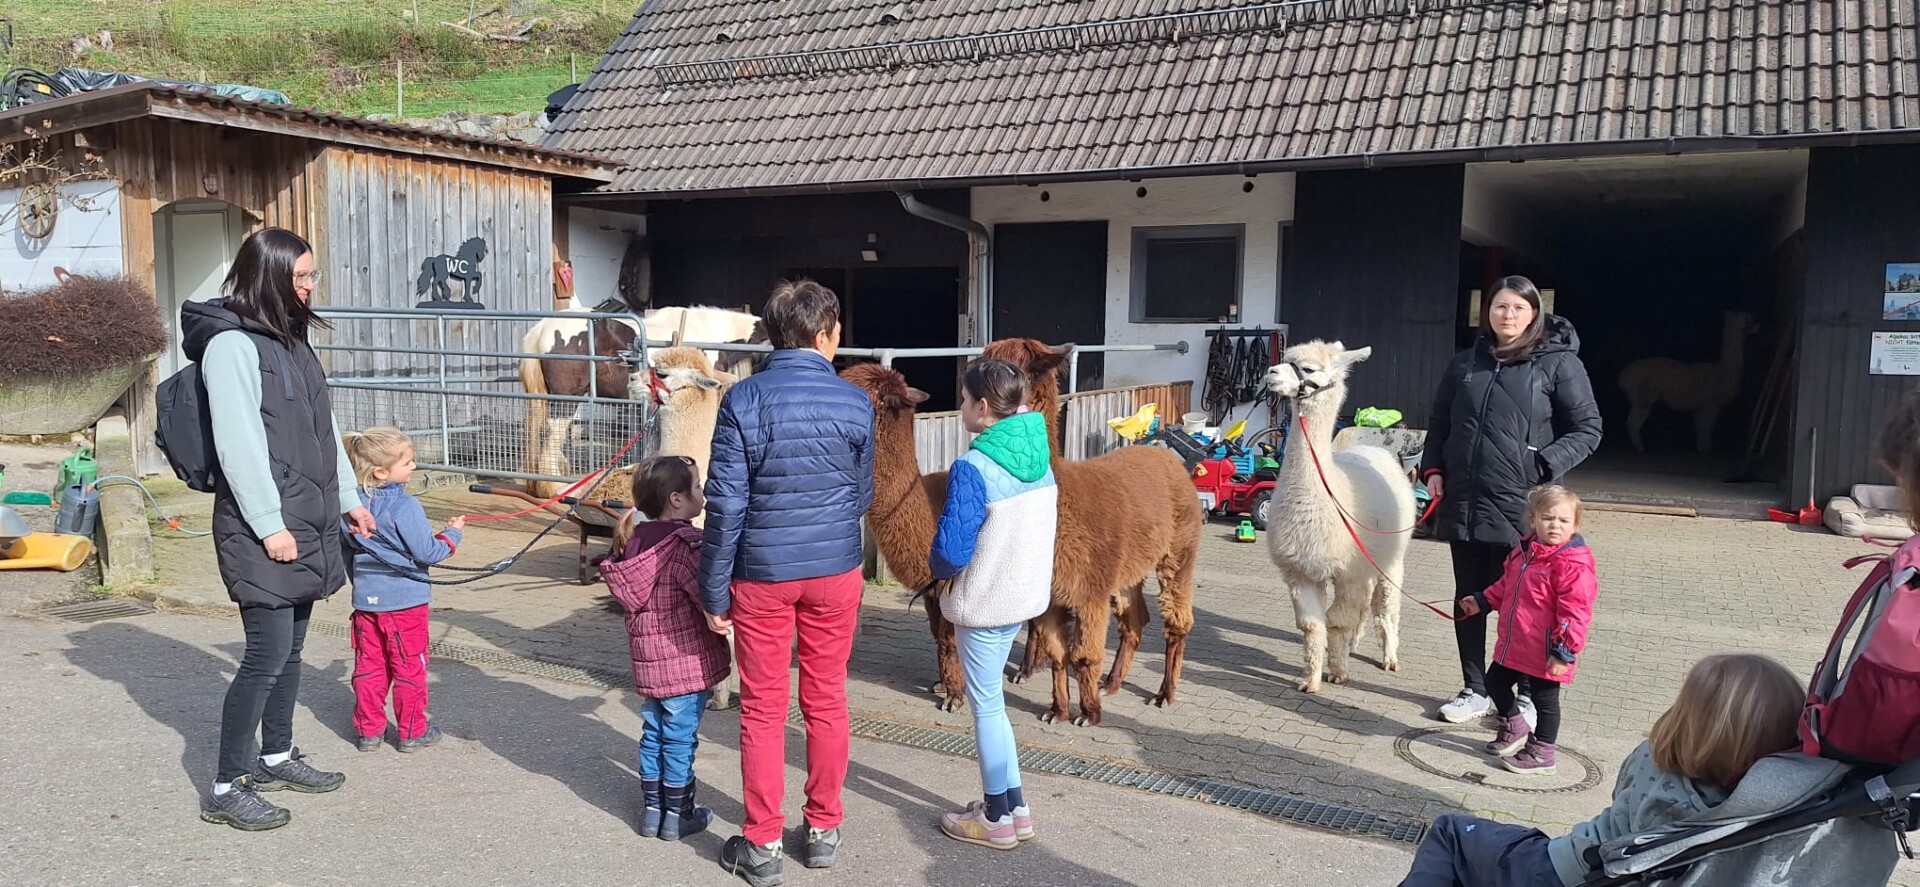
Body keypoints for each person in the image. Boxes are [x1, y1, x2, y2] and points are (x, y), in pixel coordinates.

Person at [184, 227, 376, 831]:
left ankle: (276, 755)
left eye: (312, 275)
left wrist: (350, 498)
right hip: (262, 525)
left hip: (307, 516)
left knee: (291, 651)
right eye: (300, 277)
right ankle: (225, 786)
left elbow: (325, 428)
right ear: (268, 277)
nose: (310, 286)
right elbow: (238, 444)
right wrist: (269, 525)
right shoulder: (231, 346)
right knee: (265, 655)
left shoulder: (292, 340)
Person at [703, 279, 874, 886]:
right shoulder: (855, 402)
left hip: (762, 573)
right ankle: (823, 828)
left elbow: (725, 505)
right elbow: (861, 494)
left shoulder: (743, 400)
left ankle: (763, 842)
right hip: (834, 570)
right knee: (826, 699)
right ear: (826, 335)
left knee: (763, 707)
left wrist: (713, 590)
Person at [1399, 653, 1805, 887]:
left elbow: (1619, 796)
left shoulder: (1652, 756)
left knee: (1452, 833)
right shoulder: (1750, 810)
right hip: (1607, 877)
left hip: (1563, 868)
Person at [1420, 275, 1602, 725]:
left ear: (1534, 313)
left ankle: (1525, 695)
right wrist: (1434, 469)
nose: (1508, 315)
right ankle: (1474, 689)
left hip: (1522, 504)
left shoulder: (1558, 364)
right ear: (1488, 311)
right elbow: (1440, 422)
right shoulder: (1465, 363)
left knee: (1525, 603)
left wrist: (1541, 465)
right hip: (1465, 500)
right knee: (1469, 597)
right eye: (1500, 306)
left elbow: (1588, 429)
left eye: (1519, 308)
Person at [928, 359, 1056, 850]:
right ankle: (1014, 808)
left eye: (963, 400)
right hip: (1021, 596)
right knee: (994, 706)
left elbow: (951, 551)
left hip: (984, 600)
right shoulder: (1040, 457)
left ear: (983, 407)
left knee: (986, 709)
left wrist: (937, 570)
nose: (960, 407)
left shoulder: (973, 467)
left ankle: (997, 818)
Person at [601, 455, 731, 843]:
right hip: (684, 665)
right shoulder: (685, 545)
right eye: (697, 487)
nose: (703, 493)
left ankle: (652, 813)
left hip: (649, 666)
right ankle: (678, 816)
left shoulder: (633, 541)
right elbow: (708, 596)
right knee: (679, 741)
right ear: (676, 499)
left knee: (653, 735)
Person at [1456, 485, 1597, 775]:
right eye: (1547, 518)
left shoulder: (1572, 565)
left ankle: (1543, 752)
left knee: (1545, 701)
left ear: (1575, 525)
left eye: (1563, 520)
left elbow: (1576, 612)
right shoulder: (1524, 552)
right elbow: (1505, 586)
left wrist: (1563, 651)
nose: (1555, 525)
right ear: (1532, 520)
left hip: (1547, 650)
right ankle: (1515, 725)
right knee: (1494, 682)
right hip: (1515, 643)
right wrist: (1482, 600)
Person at [339, 427, 464, 754]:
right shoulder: (405, 506)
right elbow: (428, 552)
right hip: (406, 604)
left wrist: (362, 585)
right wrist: (453, 534)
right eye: (407, 462)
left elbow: (346, 551)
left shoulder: (351, 506)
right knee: (409, 666)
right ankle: (412, 732)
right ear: (382, 471)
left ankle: (369, 732)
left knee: (370, 666)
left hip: (367, 603)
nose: (414, 466)